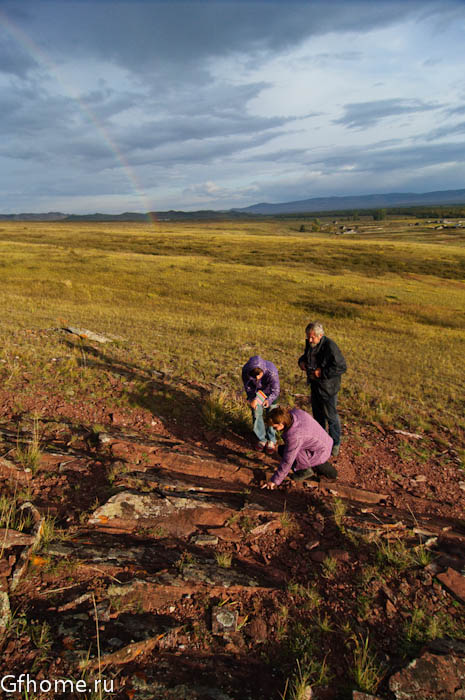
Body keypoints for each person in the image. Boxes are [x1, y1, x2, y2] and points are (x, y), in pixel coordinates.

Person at [298, 321, 346, 457]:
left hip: (328, 388)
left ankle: (335, 443)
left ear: (320, 336)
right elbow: (307, 355)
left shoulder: (330, 346)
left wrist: (322, 372)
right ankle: (320, 441)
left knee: (331, 417)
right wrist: (301, 361)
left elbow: (341, 367)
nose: (309, 339)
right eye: (308, 337)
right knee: (318, 416)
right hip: (315, 385)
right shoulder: (311, 343)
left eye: (312, 337)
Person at [261, 406, 337, 489]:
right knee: (285, 449)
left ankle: (305, 471)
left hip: (321, 451)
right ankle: (326, 471)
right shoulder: (295, 413)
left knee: (285, 451)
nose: (275, 430)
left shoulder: (294, 436)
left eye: (275, 427)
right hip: (324, 440)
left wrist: (274, 480)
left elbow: (287, 461)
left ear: (281, 423)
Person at [242, 355, 280, 454]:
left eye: (259, 374)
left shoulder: (271, 372)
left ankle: (271, 439)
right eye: (254, 376)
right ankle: (261, 439)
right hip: (256, 394)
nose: (257, 377)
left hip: (270, 394)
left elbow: (276, 390)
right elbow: (248, 387)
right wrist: (252, 398)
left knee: (272, 415)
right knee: (256, 414)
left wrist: (269, 400)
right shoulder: (246, 371)